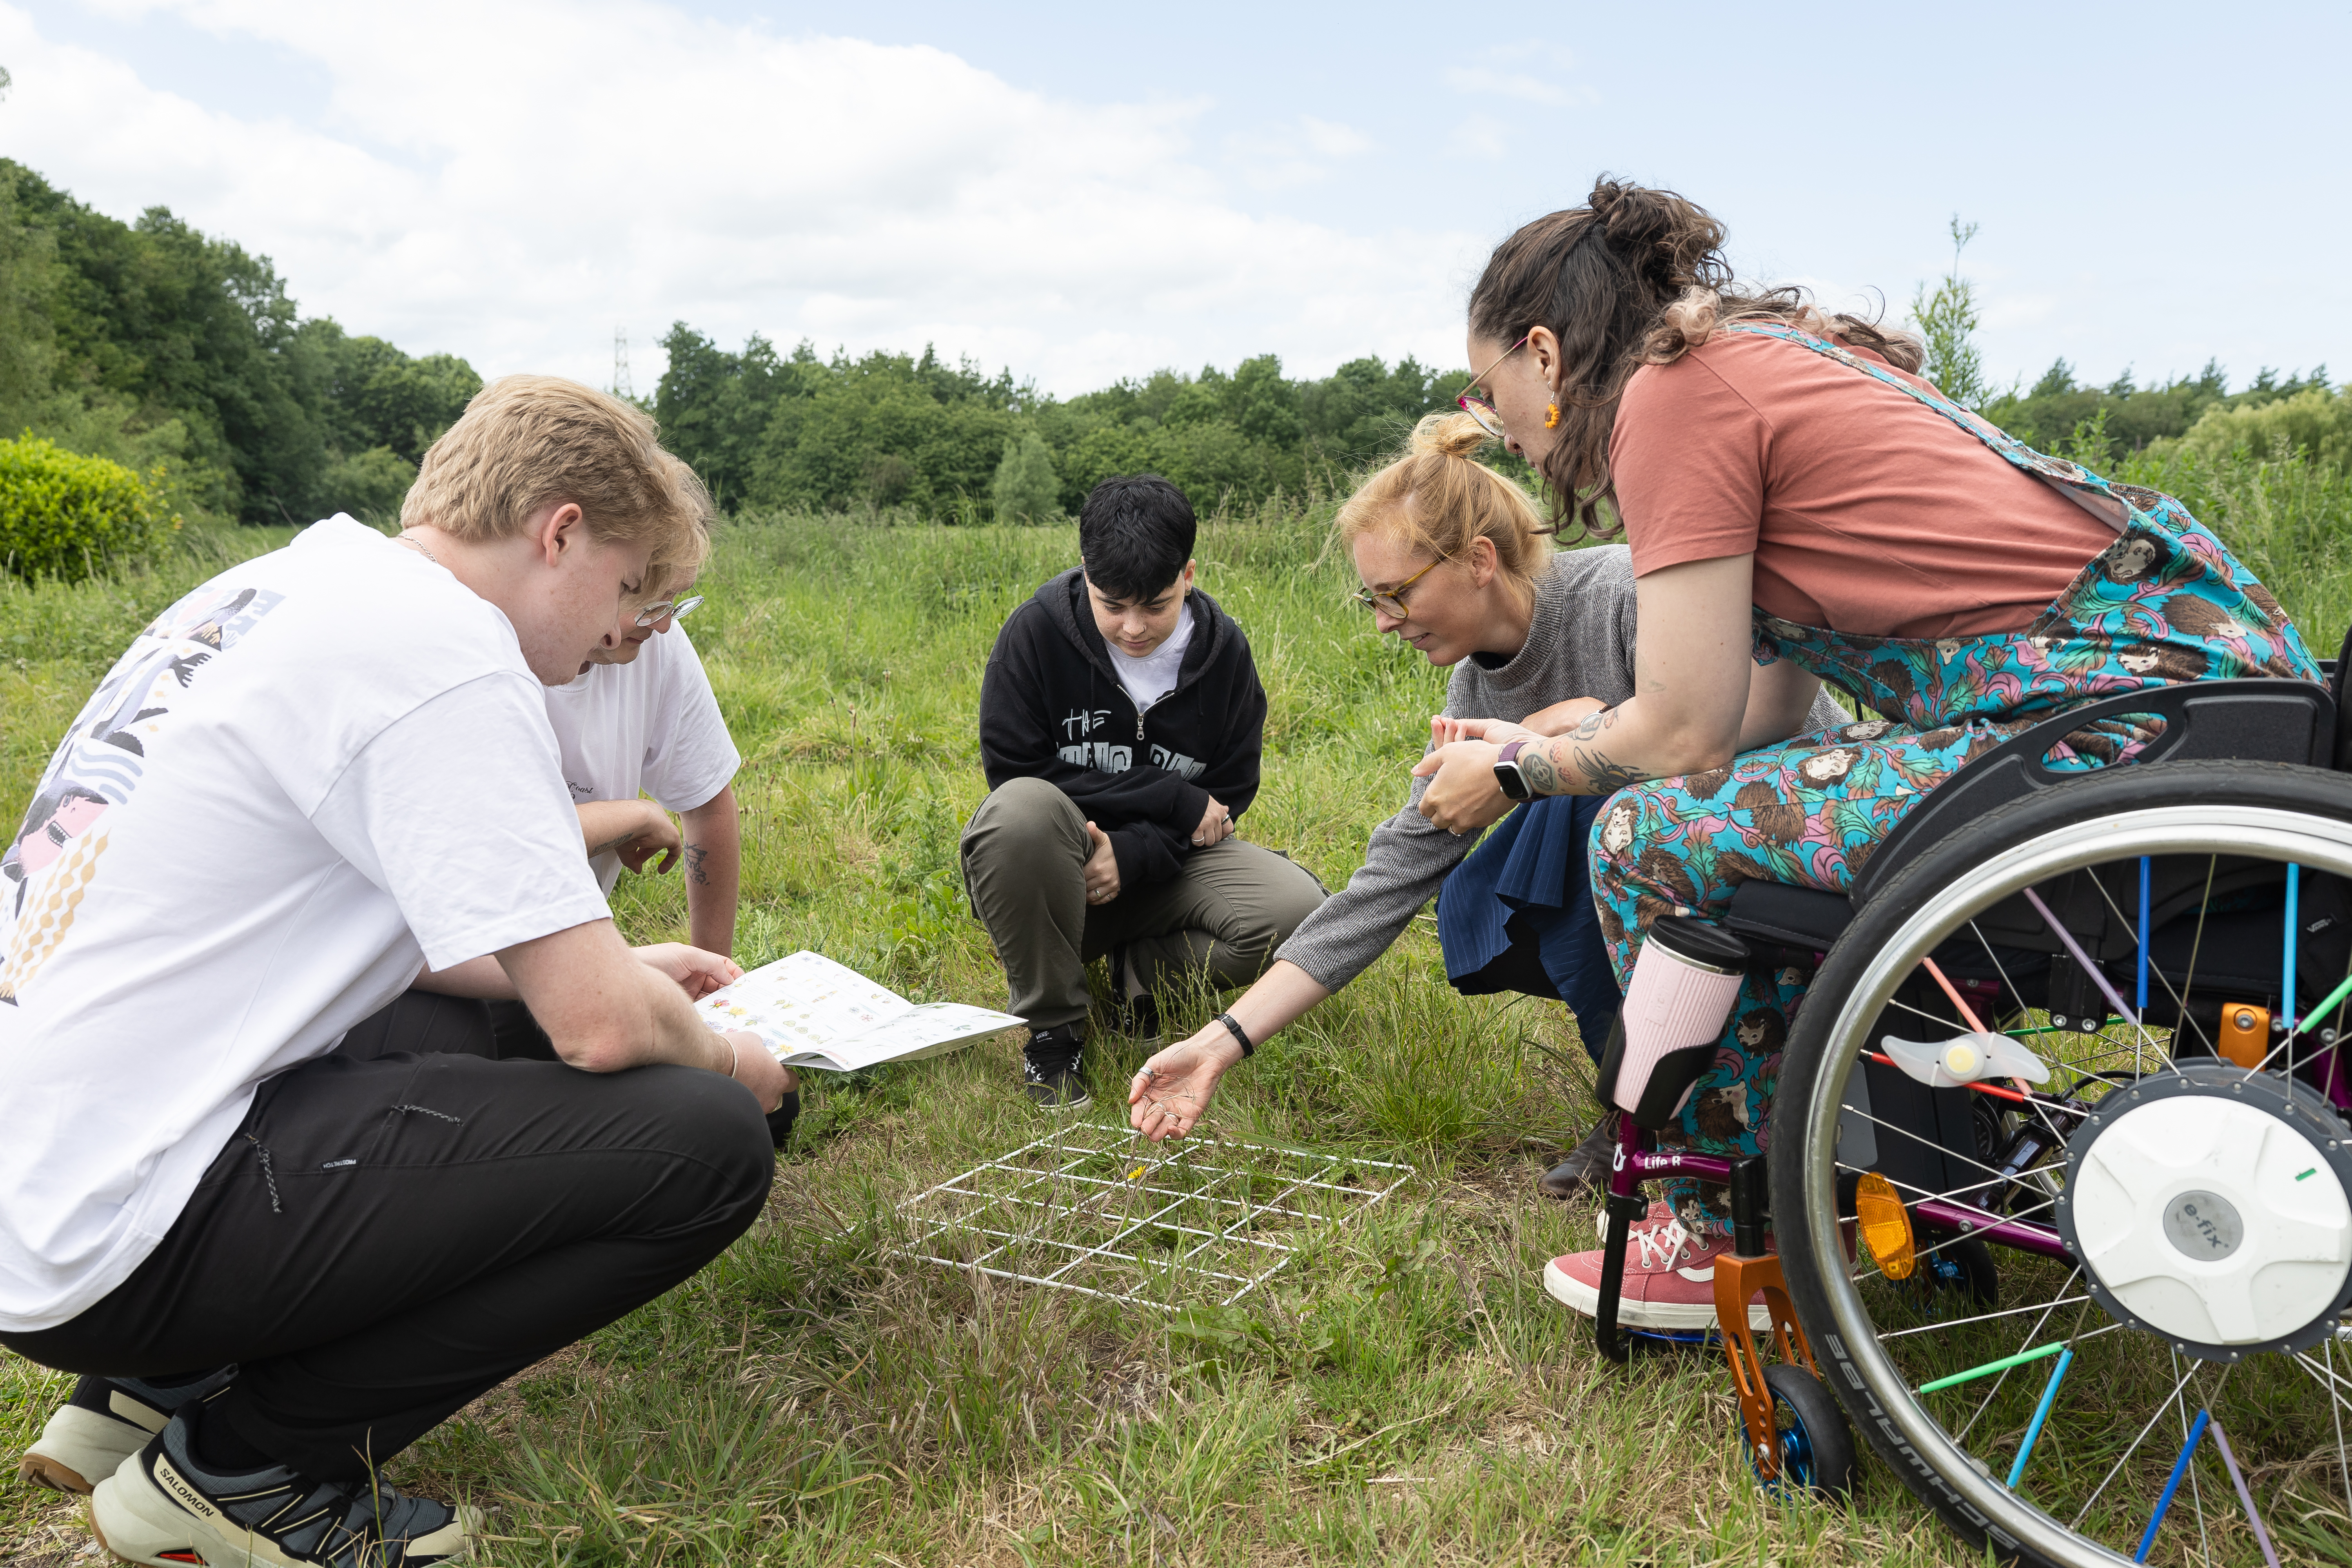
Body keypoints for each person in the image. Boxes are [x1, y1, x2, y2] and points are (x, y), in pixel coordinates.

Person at [1406, 178, 2316, 1330]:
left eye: (1491, 394)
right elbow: (1753, 726)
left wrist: (1524, 773)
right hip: (2197, 682)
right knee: (1736, 815)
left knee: (1641, 839)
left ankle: (1732, 1229)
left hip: (2109, 719)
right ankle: (1848, 1164)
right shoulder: (1762, 356)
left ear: (1543, 353)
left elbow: (1679, 735)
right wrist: (1561, 738)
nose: (1505, 427)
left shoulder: (1669, 400)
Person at [2, 376, 792, 1567]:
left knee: (484, 1038)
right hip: (109, 1230)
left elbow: (417, 945)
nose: (616, 637)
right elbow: (597, 1033)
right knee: (704, 1139)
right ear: (560, 532)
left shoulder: (287, 586)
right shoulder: (445, 653)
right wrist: (739, 1062)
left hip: (53, 1172)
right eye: (628, 588)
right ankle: (248, 1472)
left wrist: (622, 963)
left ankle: (156, 1384)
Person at [1121, 417, 1842, 1186]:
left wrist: (1540, 744)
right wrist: (1222, 1040)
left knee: (1569, 818)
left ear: (1478, 560)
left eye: (1396, 594)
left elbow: (1727, 741)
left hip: (1789, 842)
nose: (1383, 621)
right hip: (1674, 877)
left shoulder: (1621, 596)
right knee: (1478, 887)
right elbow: (1395, 870)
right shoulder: (1474, 684)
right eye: (1370, 599)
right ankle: (1645, 1102)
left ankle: (1689, 1107)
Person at [964, 474, 1327, 1109]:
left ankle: (1144, 979)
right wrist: (1166, 795)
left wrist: (1133, 854)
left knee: (1295, 912)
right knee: (1020, 812)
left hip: (1164, 867)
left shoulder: (1225, 652)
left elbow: (1229, 790)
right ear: (1084, 572)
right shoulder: (1036, 634)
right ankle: (1055, 1028)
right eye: (1113, 606)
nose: (1133, 628)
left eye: (1156, 606)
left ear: (1188, 574)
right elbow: (1015, 769)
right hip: (1056, 870)